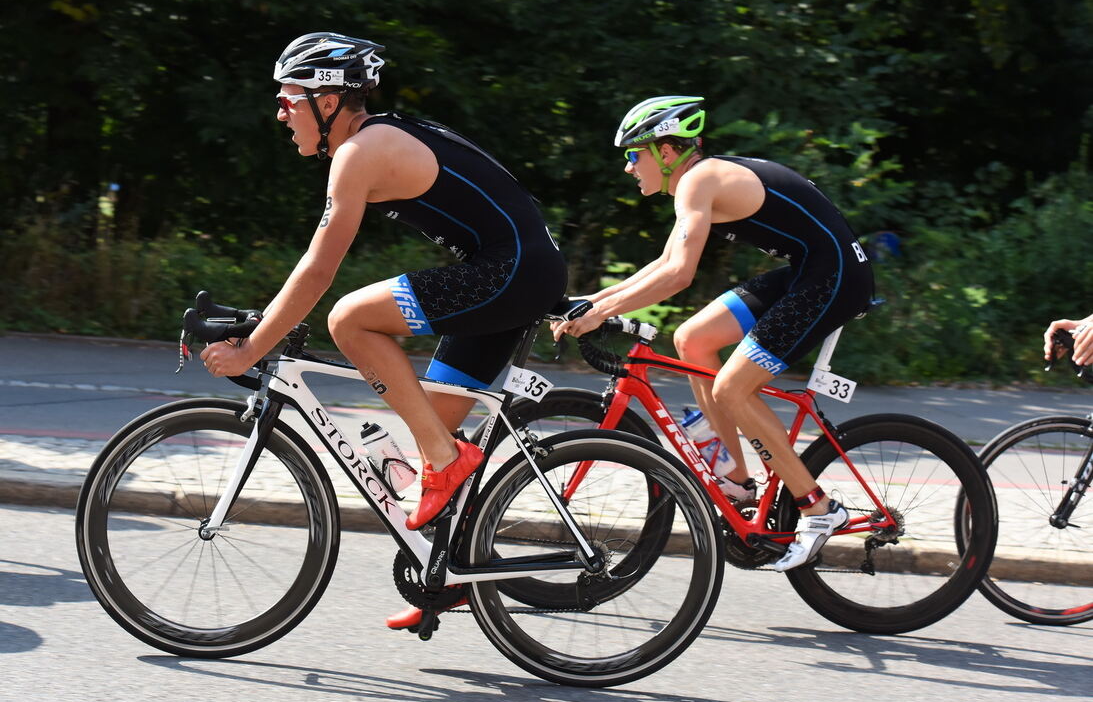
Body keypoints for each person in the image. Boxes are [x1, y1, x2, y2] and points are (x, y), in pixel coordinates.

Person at [200, 32, 567, 625]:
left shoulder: (360, 151)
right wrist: (263, 331)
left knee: (350, 319)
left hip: (511, 271)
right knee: (430, 439)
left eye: (288, 96)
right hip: (513, 269)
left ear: (327, 101)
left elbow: (320, 269)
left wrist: (253, 350)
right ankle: (445, 578)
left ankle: (448, 461)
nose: (279, 110)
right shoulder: (377, 138)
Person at [552, 95, 874, 571]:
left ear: (666, 152)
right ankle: (739, 479)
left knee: (733, 389)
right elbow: (661, 265)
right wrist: (592, 303)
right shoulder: (700, 179)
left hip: (835, 278)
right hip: (812, 269)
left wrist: (600, 313)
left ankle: (818, 508)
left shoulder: (699, 179)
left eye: (632, 154)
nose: (627, 168)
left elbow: (679, 275)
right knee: (693, 341)